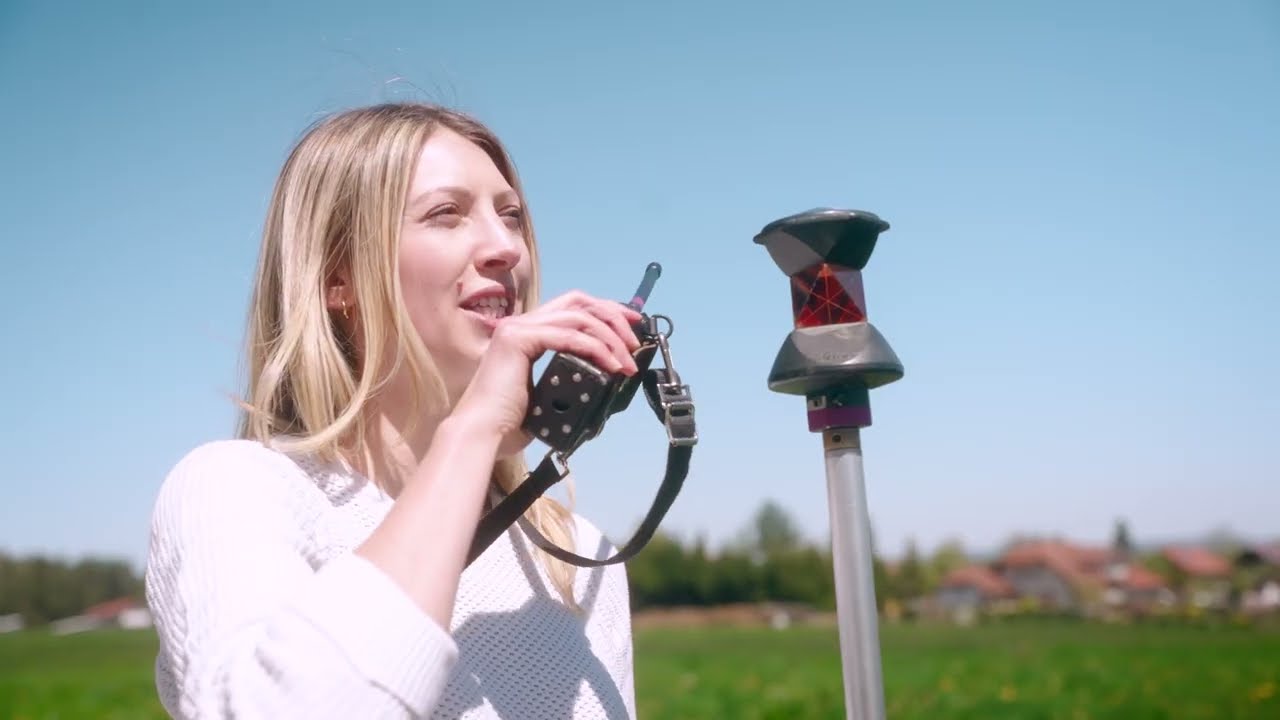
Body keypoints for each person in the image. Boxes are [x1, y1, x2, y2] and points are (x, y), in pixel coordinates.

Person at [144, 102, 645, 719]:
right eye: (446, 214)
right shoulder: (235, 492)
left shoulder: (571, 553)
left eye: (511, 216)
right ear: (338, 278)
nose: (504, 247)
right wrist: (474, 430)